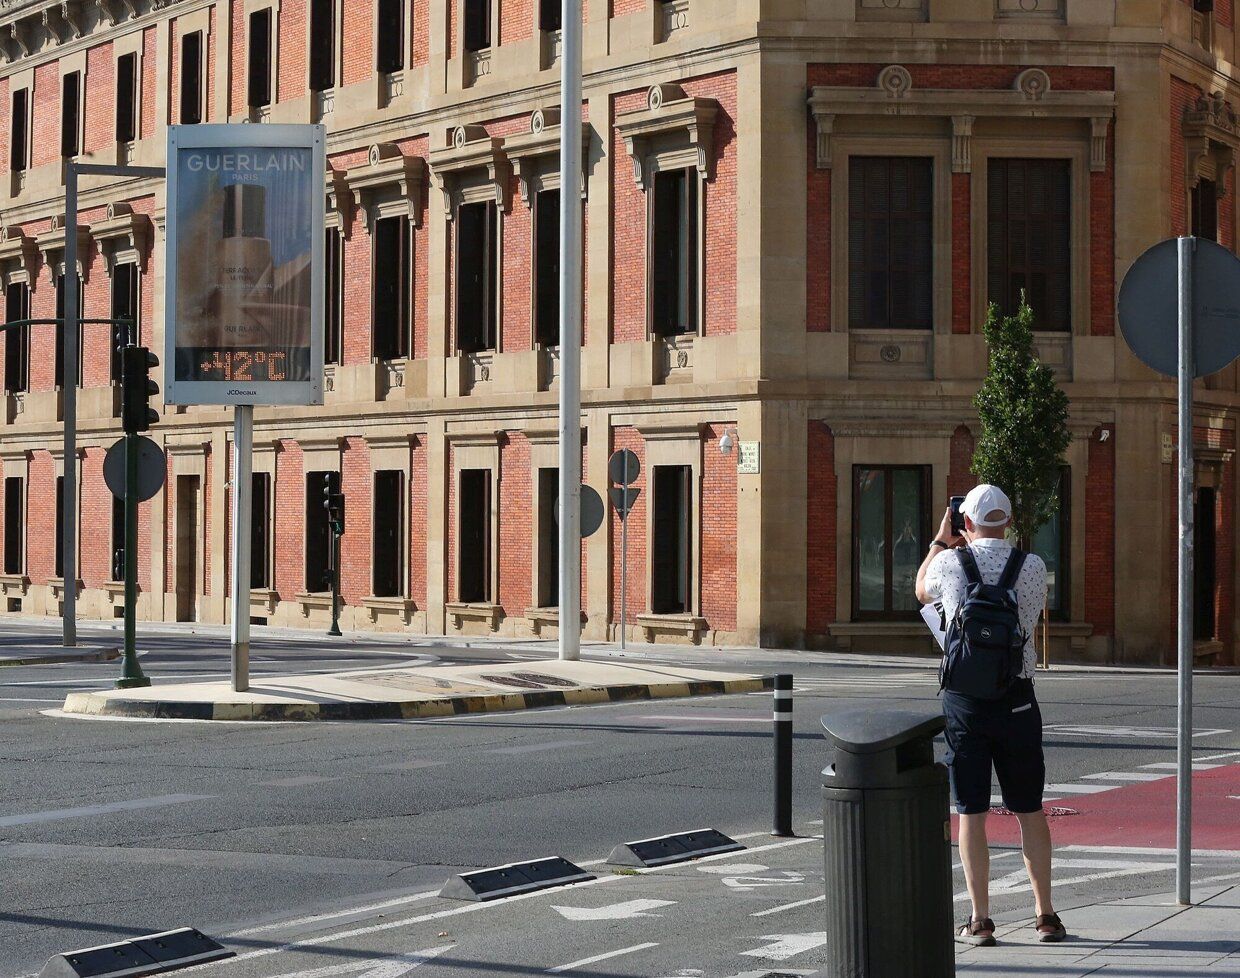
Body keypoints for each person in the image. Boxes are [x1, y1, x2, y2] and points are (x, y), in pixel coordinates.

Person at [914, 483, 1067, 946]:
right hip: (1017, 699)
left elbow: (922, 593)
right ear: (1009, 522)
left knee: (972, 812)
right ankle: (1045, 915)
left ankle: (980, 920)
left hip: (965, 701)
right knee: (1029, 809)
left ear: (966, 522)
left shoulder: (949, 562)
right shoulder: (1033, 565)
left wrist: (941, 540)